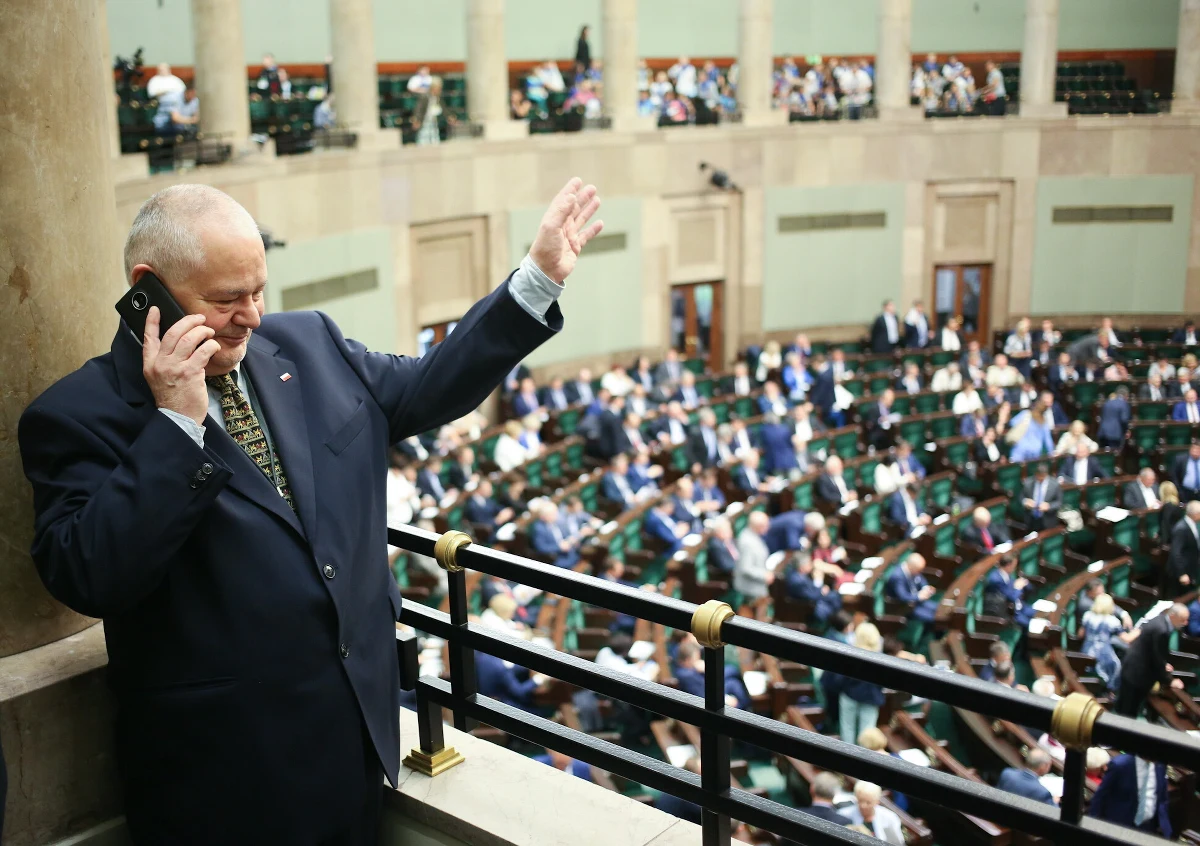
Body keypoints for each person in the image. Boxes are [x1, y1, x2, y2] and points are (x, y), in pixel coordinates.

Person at [16, 178, 604, 844]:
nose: (254, 316)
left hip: (357, 744)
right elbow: (89, 577)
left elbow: (431, 385)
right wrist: (175, 431)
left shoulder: (310, 343)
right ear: (148, 287)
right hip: (225, 786)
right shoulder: (74, 417)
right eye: (227, 299)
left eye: (259, 290)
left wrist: (537, 280)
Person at [1114, 604, 1189, 718]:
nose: (1185, 623)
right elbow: (1156, 659)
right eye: (1183, 619)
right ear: (1173, 615)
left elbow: (1152, 651)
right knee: (1127, 713)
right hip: (1137, 674)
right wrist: (1170, 681)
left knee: (1123, 707)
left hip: (1132, 666)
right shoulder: (1162, 630)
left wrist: (1163, 664)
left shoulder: (1160, 619)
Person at [1087, 753, 1172, 837]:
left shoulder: (1160, 764)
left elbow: (1162, 796)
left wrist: (1164, 826)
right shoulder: (1120, 765)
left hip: (1147, 829)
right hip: (1120, 827)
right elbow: (1100, 797)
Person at [828, 623, 886, 745]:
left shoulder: (851, 655)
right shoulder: (882, 659)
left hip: (849, 696)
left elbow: (839, 679)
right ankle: (863, 760)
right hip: (871, 698)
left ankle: (846, 758)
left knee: (847, 729)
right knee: (867, 732)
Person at [1080, 593, 1133, 692]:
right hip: (1103, 654)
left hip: (1086, 650)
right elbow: (1127, 638)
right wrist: (1141, 630)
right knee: (1116, 666)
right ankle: (1111, 692)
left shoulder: (1087, 615)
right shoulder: (1112, 621)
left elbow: (1080, 634)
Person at [884, 553, 938, 632]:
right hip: (905, 607)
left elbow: (920, 579)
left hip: (916, 601)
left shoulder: (913, 570)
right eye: (918, 571)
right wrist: (919, 597)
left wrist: (925, 588)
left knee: (939, 609)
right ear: (911, 567)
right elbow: (903, 597)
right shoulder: (897, 577)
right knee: (933, 618)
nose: (920, 573)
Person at [734, 512, 774, 601]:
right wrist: (764, 575)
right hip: (749, 591)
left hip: (758, 588)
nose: (768, 527)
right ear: (758, 526)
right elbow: (745, 568)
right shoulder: (747, 542)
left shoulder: (754, 536)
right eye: (766, 525)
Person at [982, 553, 1029, 624]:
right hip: (1005, 612)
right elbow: (1012, 597)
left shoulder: (1005, 574)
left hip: (1016, 606)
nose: (1014, 568)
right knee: (1027, 624)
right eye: (1014, 566)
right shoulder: (996, 580)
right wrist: (1018, 587)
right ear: (1008, 565)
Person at [1167, 501, 1200, 596]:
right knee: (1184, 596)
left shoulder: (1192, 524)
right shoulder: (1181, 528)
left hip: (1191, 566)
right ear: (1195, 514)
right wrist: (1182, 573)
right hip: (1183, 570)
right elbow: (1176, 553)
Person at [1021, 463, 1062, 531]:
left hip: (1048, 520)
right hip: (1031, 519)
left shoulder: (1055, 484)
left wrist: (1049, 506)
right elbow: (1021, 497)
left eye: (1043, 478)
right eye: (1039, 477)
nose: (1041, 480)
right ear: (1035, 474)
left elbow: (1059, 502)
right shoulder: (1028, 482)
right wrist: (1025, 502)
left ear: (1046, 474)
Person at [412, 77, 445, 145]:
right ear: (433, 88)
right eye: (438, 88)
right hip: (425, 121)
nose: (439, 90)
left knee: (434, 139)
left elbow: (443, 108)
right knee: (424, 139)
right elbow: (419, 109)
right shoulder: (425, 97)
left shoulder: (437, 98)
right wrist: (417, 120)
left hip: (434, 122)